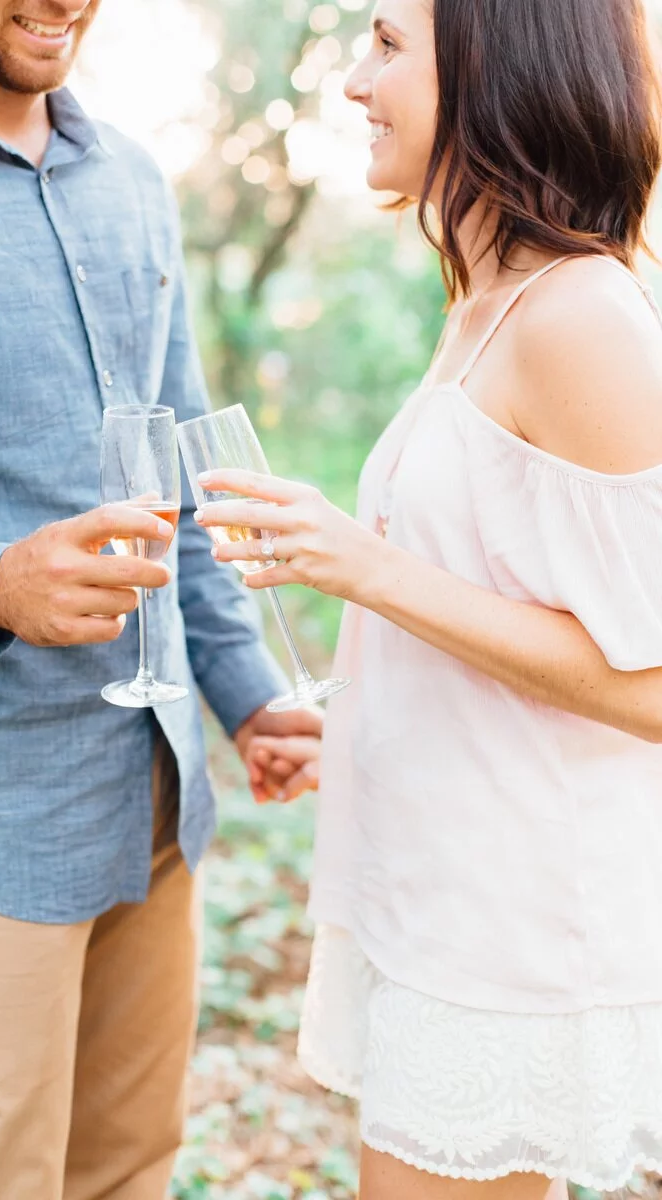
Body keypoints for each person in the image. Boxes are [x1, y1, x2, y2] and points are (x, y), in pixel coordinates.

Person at [195, 0, 662, 1195]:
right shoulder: (480, 306)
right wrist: (349, 710)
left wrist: (364, 567)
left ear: (497, 75)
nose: (354, 82)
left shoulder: (581, 317)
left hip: (510, 948)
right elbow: (502, 593)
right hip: (435, 907)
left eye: (388, 46)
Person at [0, 4, 321, 1198]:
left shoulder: (129, 179)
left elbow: (183, 481)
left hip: (154, 799)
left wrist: (246, 697)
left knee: (128, 1173)